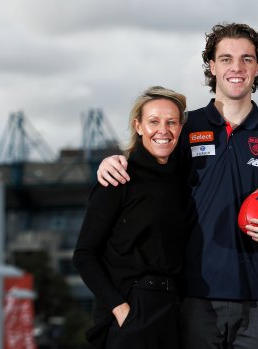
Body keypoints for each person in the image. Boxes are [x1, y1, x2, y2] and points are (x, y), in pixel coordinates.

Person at [96, 23, 258, 349]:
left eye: (247, 59)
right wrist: (115, 161)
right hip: (193, 293)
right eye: (226, 58)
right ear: (212, 65)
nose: (237, 67)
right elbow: (149, 172)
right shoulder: (183, 127)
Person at [72, 86, 188, 348]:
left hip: (172, 310)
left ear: (180, 128)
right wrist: (120, 308)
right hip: (132, 308)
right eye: (154, 121)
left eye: (171, 122)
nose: (163, 130)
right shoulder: (118, 178)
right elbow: (83, 255)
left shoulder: (183, 180)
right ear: (138, 126)